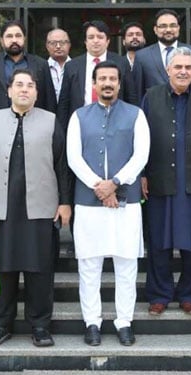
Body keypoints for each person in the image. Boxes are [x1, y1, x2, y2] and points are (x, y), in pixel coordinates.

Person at [0, 69, 71, 347]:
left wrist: (65, 202)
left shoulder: (52, 121)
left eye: (30, 86)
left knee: (39, 270)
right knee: (3, 270)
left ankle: (40, 325)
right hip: (0, 206)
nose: (24, 90)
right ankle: (0, 324)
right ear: (9, 91)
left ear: (37, 93)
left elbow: (62, 166)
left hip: (40, 207)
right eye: (19, 85)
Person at [67, 61, 149, 346]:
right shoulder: (78, 116)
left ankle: (124, 321)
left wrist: (114, 182)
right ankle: (92, 321)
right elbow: (73, 158)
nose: (107, 83)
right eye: (102, 78)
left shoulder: (136, 115)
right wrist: (100, 188)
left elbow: (141, 156)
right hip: (89, 203)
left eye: (112, 78)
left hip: (126, 201)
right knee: (89, 265)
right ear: (94, 83)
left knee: (126, 264)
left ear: (119, 83)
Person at [141, 47, 191, 316]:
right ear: (168, 70)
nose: (183, 71)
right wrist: (140, 174)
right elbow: (140, 140)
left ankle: (190, 294)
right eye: (178, 67)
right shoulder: (151, 97)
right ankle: (159, 294)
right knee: (159, 241)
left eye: (188, 67)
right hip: (159, 181)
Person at [0, 20, 57, 140]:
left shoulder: (40, 65)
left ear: (24, 39)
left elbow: (50, 102)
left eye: (18, 36)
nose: (14, 40)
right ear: (2, 40)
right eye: (9, 36)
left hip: (35, 131)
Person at [56, 20, 137, 128]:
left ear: (107, 41)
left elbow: (131, 97)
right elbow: (64, 103)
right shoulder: (72, 66)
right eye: (91, 37)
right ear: (85, 41)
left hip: (116, 122)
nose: (95, 41)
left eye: (100, 37)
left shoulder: (121, 63)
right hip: (82, 123)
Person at [132, 9, 191, 103]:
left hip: (187, 109)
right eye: (163, 26)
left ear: (178, 28)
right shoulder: (142, 56)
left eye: (173, 25)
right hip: (154, 112)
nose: (168, 30)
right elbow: (138, 92)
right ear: (155, 30)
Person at [45, 28, 72, 101]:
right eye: (53, 43)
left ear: (69, 45)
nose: (58, 46)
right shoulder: (42, 68)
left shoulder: (77, 68)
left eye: (62, 42)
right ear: (47, 46)